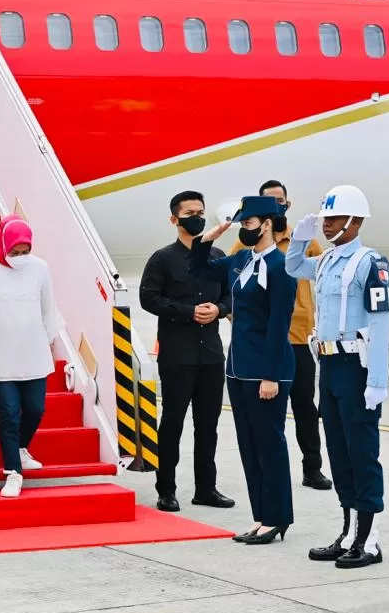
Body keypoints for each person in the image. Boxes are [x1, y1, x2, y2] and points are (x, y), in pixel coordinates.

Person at [286, 185, 389, 569]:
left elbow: (380, 324)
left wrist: (377, 380)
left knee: (362, 453)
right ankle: (349, 533)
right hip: (328, 366)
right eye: (325, 219)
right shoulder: (327, 260)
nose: (326, 225)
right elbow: (293, 268)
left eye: (333, 219)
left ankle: (369, 539)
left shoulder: (369, 263)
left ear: (355, 221)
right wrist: (299, 239)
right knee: (339, 452)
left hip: (356, 367)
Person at [190, 195, 297, 544]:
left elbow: (279, 325)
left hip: (266, 371)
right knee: (249, 446)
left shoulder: (281, 267)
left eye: (248, 224)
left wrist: (271, 375)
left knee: (270, 445)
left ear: (266, 224)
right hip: (238, 369)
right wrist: (208, 239)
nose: (244, 230)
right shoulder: (241, 260)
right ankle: (261, 515)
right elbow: (199, 269)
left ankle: (277, 517)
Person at [230, 180, 331, 490]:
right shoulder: (245, 247)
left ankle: (312, 467)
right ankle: (267, 473)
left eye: (281, 201)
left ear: (288, 204)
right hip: (264, 342)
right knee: (266, 416)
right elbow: (232, 286)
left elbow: (322, 278)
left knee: (305, 407)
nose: (278, 206)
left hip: (298, 337)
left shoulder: (305, 242)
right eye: (270, 202)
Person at [139, 190, 235, 513]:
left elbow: (230, 296)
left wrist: (219, 310)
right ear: (174, 219)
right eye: (190, 213)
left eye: (201, 212)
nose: (197, 218)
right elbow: (148, 298)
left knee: (208, 425)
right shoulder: (162, 258)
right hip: (177, 355)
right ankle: (166, 489)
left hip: (211, 355)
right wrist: (187, 311)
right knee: (173, 423)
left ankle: (206, 488)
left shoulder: (217, 256)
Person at [0, 216, 59, 499]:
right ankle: (13, 472)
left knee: (35, 408)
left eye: (25, 252)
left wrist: (49, 339)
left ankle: (20, 448)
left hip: (33, 350)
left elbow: (48, 307)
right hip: (1, 355)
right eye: (14, 252)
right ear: (3, 246)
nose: (20, 257)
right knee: (8, 413)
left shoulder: (40, 268)